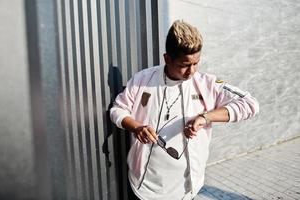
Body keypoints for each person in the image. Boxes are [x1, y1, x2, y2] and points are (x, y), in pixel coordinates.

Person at [110, 20, 259, 200]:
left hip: (187, 190)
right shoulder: (142, 79)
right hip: (143, 187)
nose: (192, 71)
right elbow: (118, 109)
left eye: (196, 63)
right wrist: (136, 127)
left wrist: (205, 117)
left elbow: (250, 104)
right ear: (167, 58)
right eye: (184, 65)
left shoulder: (207, 83)